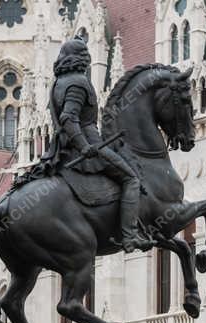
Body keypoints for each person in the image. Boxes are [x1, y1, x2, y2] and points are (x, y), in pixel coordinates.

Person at [41, 35, 144, 252]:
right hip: (87, 145)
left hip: (61, 148)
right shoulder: (78, 82)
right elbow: (69, 118)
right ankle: (129, 235)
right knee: (131, 178)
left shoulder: (57, 83)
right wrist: (84, 145)